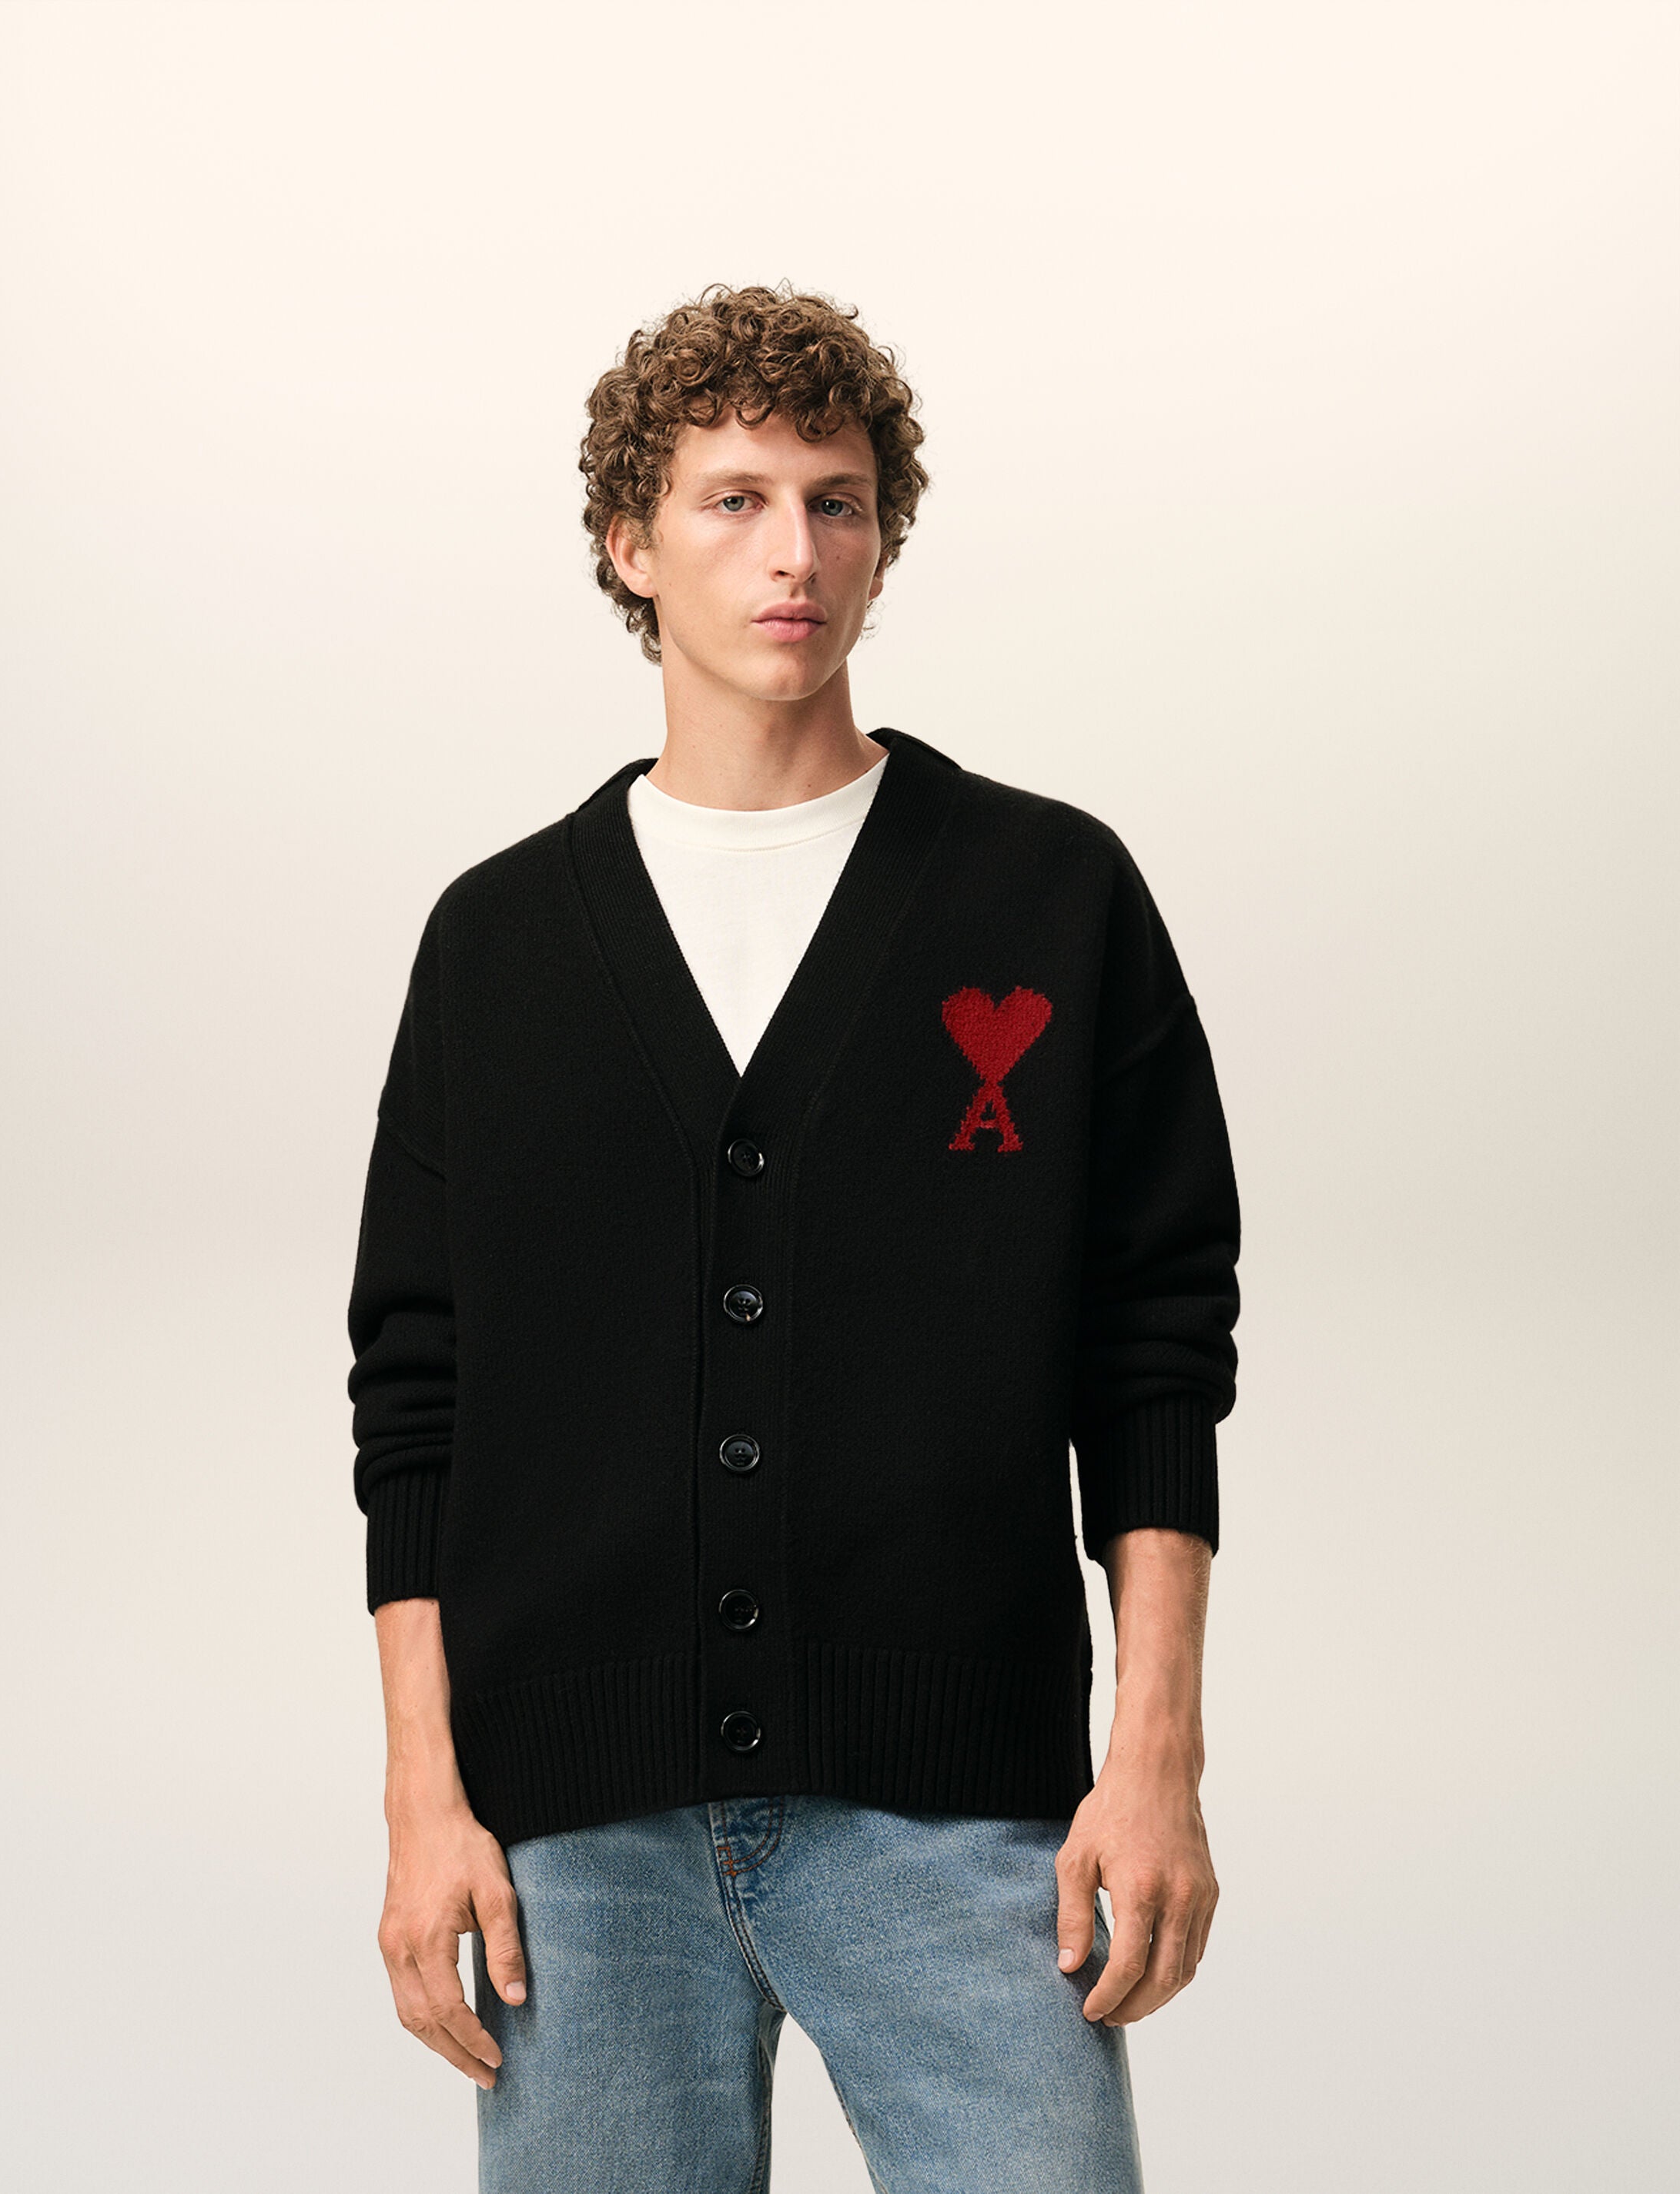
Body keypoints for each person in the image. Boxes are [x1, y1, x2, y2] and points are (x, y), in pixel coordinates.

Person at [346, 281, 1242, 2193]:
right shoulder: (498, 946)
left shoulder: (1050, 895)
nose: (794, 554)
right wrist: (425, 1797)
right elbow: (417, 1395)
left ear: (884, 542)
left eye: (838, 503)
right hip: (575, 1845)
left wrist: (1154, 1752)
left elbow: (1154, 1343)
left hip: (963, 1814)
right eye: (734, 500)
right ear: (630, 542)